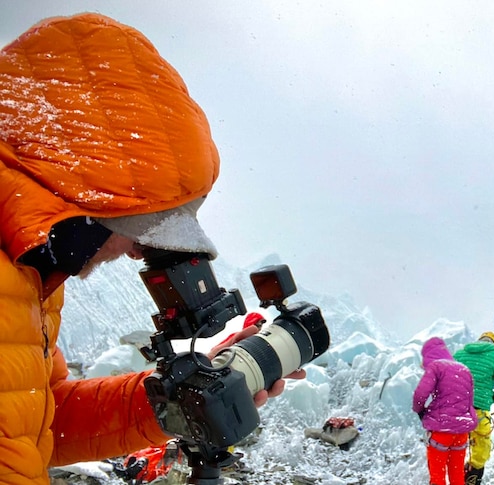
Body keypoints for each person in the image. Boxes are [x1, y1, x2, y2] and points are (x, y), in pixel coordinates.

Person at [0, 14, 292, 484]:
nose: (139, 252)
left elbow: (38, 420)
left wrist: (173, 401)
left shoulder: (31, 276)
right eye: (141, 229)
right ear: (85, 198)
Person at [412, 337, 478, 485]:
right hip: (461, 433)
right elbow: (469, 401)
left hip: (441, 431)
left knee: (437, 477)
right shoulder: (464, 369)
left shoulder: (436, 366)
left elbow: (420, 394)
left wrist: (420, 411)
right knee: (457, 475)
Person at [453, 332, 494, 485]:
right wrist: (491, 398)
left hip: (456, 410)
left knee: (455, 448)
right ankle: (473, 478)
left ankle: (455, 477)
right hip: (479, 411)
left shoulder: (459, 354)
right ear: (493, 343)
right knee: (480, 449)